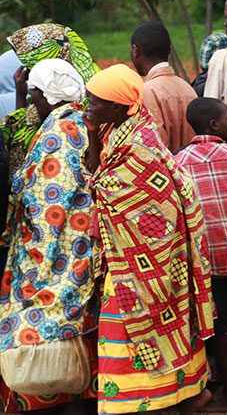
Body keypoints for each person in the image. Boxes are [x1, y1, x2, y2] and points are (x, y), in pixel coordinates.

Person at [84, 64, 214, 414]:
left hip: (149, 256)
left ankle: (149, 401)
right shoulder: (114, 128)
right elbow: (100, 176)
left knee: (135, 321)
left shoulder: (141, 140)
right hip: (126, 255)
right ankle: (169, 396)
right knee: (138, 323)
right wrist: (93, 133)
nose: (87, 107)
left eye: (94, 101)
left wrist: (105, 189)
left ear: (117, 105)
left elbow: (124, 191)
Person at [0, 59, 98, 413]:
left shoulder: (59, 133)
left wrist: (33, 257)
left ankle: (52, 397)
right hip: (81, 244)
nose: (32, 102)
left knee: (47, 320)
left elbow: (47, 205)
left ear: (47, 95)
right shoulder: (81, 121)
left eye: (34, 95)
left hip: (57, 249)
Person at [174, 97, 227, 413]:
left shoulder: (179, 161)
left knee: (219, 328)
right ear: (213, 125)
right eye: (226, 118)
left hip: (206, 261)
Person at [2, 23, 99, 176]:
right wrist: (21, 94)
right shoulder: (46, 87)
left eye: (31, 61)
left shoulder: (90, 95)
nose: (27, 68)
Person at [130, 21, 198, 152]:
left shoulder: (146, 92)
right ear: (170, 50)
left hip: (165, 171)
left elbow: (155, 147)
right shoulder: (188, 88)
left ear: (135, 51)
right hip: (189, 170)